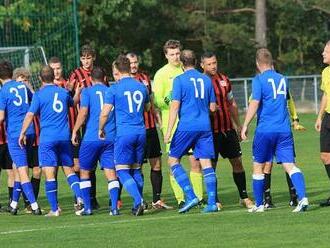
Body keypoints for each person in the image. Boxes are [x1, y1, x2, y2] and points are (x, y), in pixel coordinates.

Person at [241, 48, 308, 213]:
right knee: (290, 165)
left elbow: (255, 103)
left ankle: (259, 204)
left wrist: (245, 125)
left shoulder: (258, 80)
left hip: (265, 130)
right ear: (271, 62)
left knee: (258, 167)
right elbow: (285, 101)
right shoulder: (283, 79)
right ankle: (303, 198)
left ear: (257, 64)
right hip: (284, 130)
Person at [19, 65, 82, 217]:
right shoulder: (63, 92)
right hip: (64, 137)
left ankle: (55, 209)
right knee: (69, 170)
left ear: (40, 78)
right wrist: (77, 93)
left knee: (50, 173)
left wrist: (22, 133)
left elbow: (29, 115)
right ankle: (81, 198)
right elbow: (72, 103)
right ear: (53, 77)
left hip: (47, 139)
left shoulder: (39, 95)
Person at [164, 49, 218, 213]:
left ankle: (191, 195)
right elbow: (213, 108)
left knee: (173, 161)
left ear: (181, 62)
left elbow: (174, 108)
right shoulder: (206, 80)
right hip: (205, 126)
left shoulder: (179, 80)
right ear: (196, 62)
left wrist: (168, 132)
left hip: (187, 126)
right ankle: (212, 203)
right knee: (206, 163)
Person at [200, 52, 253, 209]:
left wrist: (238, 125)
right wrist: (209, 111)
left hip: (228, 129)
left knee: (237, 162)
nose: (213, 66)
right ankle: (214, 199)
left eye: (214, 62)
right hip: (210, 132)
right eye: (209, 64)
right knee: (212, 166)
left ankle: (244, 196)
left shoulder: (224, 80)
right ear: (202, 65)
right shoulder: (200, 82)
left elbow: (232, 103)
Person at [153, 40, 203, 207]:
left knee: (195, 161)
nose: (175, 57)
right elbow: (158, 100)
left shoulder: (187, 70)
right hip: (172, 125)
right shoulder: (161, 74)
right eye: (172, 54)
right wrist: (172, 98)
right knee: (174, 162)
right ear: (166, 55)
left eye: (177, 53)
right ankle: (182, 198)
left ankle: (199, 197)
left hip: (191, 123)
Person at [99, 55, 150, 216]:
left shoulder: (114, 89)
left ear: (117, 71)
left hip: (124, 133)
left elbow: (105, 113)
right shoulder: (141, 86)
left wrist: (100, 128)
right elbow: (148, 108)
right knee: (136, 169)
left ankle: (139, 201)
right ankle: (138, 204)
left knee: (121, 170)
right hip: (141, 132)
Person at [126, 52, 172, 210]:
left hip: (150, 128)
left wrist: (159, 122)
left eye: (135, 62)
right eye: (130, 63)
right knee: (135, 167)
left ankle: (156, 200)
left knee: (157, 164)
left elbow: (151, 102)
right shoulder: (123, 81)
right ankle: (138, 201)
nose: (133, 65)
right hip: (135, 130)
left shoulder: (145, 78)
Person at [72, 67, 120, 216]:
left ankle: (87, 208)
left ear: (91, 79)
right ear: (105, 78)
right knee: (111, 173)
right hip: (110, 137)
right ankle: (114, 208)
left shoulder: (87, 91)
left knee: (85, 172)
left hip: (91, 138)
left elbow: (83, 112)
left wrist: (74, 130)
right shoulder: (112, 91)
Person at [0, 60, 41, 215]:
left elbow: (1, 116)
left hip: (16, 134)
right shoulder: (23, 86)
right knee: (18, 166)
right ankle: (14, 204)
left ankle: (34, 206)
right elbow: (35, 100)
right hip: (30, 131)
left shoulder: (3, 91)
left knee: (22, 170)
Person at [67, 45, 99, 209]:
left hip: (96, 124)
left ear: (93, 57)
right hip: (81, 124)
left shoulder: (100, 74)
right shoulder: (75, 75)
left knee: (94, 163)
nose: (86, 61)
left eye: (89, 58)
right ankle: (80, 198)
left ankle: (92, 198)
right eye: (83, 58)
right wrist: (73, 92)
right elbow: (70, 99)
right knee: (81, 163)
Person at [263, 92, 306, 209]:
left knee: (289, 163)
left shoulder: (282, 85)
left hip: (280, 130)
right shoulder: (262, 84)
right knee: (268, 164)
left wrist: (295, 118)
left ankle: (294, 197)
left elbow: (290, 102)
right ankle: (267, 199)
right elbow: (253, 102)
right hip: (268, 129)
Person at [12, 67, 42, 213]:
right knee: (20, 170)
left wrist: (31, 90)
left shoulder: (32, 95)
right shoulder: (14, 97)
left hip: (34, 137)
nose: (23, 83)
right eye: (20, 80)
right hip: (19, 137)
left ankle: (28, 203)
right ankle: (19, 203)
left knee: (37, 171)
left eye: (25, 80)